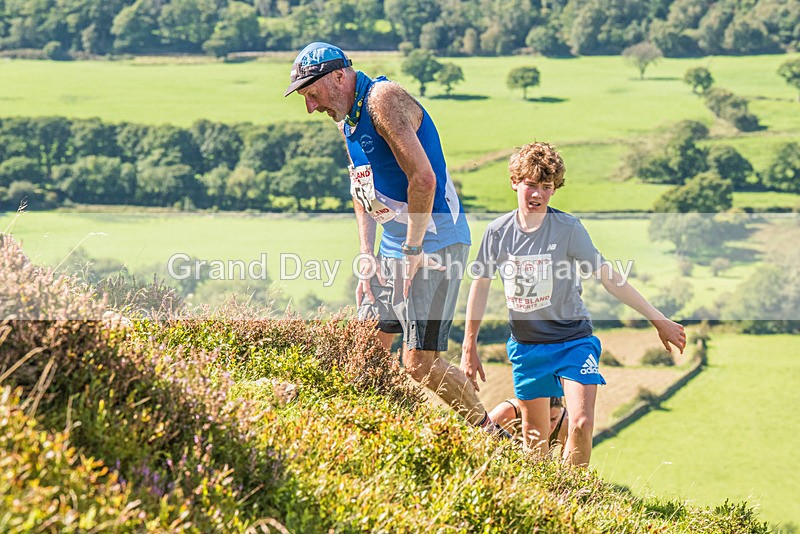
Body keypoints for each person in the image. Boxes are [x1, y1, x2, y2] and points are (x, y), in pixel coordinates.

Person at [285, 42, 496, 429]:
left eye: (312, 94)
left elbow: (424, 179)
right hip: (394, 244)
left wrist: (413, 249)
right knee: (366, 346)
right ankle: (371, 430)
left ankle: (490, 435)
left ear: (338, 77)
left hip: (436, 242)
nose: (310, 107)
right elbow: (361, 186)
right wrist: (367, 253)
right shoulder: (347, 117)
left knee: (420, 363)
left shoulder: (382, 100)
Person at [460, 142, 686, 464]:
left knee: (580, 423)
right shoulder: (498, 232)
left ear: (555, 189)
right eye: (531, 185)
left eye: (546, 187)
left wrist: (658, 319)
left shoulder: (568, 229)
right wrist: (469, 345)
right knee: (534, 441)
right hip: (527, 347)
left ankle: (573, 490)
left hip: (573, 341)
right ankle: (545, 495)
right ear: (514, 182)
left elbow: (609, 276)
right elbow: (480, 286)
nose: (538, 194)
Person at [489, 397, 569, 452]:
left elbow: (569, 468)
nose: (547, 427)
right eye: (540, 418)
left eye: (553, 419)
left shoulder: (567, 422)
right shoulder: (507, 412)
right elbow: (483, 439)